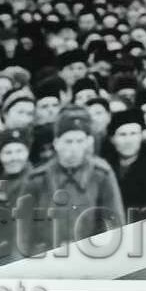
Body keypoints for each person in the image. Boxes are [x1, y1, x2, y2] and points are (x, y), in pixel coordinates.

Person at [19, 107, 124, 253]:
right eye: (68, 141)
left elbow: (114, 225)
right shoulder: (37, 180)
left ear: (87, 142)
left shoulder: (101, 175)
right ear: (56, 143)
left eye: (79, 141)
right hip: (47, 262)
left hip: (91, 259)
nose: (74, 148)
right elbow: (23, 233)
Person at [107, 108, 146, 221]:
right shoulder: (106, 167)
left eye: (133, 134)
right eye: (122, 134)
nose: (128, 140)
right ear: (112, 139)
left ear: (141, 136)